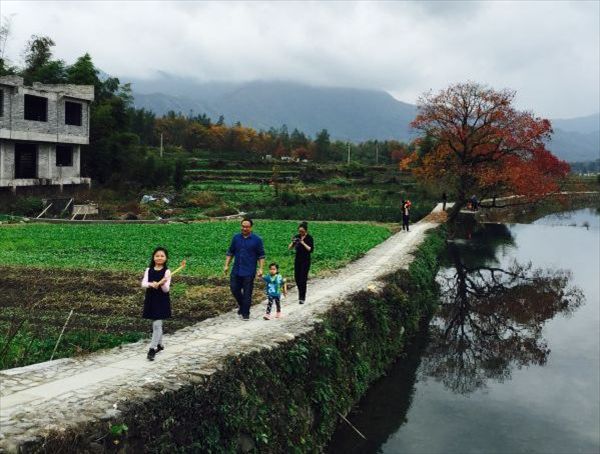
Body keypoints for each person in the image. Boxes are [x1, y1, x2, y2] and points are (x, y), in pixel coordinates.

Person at [224, 218, 265, 321]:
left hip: (249, 270)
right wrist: (226, 265)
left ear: (251, 227)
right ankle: (243, 306)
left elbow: (261, 256)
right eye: (243, 226)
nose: (244, 228)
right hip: (236, 269)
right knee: (234, 289)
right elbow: (230, 252)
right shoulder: (236, 238)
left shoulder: (257, 240)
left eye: (247, 227)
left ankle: (245, 313)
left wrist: (260, 269)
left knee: (247, 292)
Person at [141, 247, 172, 361]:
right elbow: (143, 284)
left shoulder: (167, 272)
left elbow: (166, 289)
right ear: (153, 257)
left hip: (161, 300)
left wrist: (162, 283)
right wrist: (151, 284)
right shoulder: (148, 270)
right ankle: (160, 345)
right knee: (157, 324)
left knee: (156, 325)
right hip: (151, 299)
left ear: (166, 258)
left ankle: (152, 349)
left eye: (162, 256)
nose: (159, 258)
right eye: (157, 256)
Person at [288, 221, 314, 304]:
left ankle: (302, 297)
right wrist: (293, 242)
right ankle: (300, 293)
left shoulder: (309, 238)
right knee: (297, 278)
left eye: (302, 231)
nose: (300, 233)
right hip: (298, 259)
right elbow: (289, 248)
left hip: (306, 260)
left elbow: (310, 249)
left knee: (303, 279)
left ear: (306, 231)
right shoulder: (297, 236)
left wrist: (303, 243)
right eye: (299, 231)